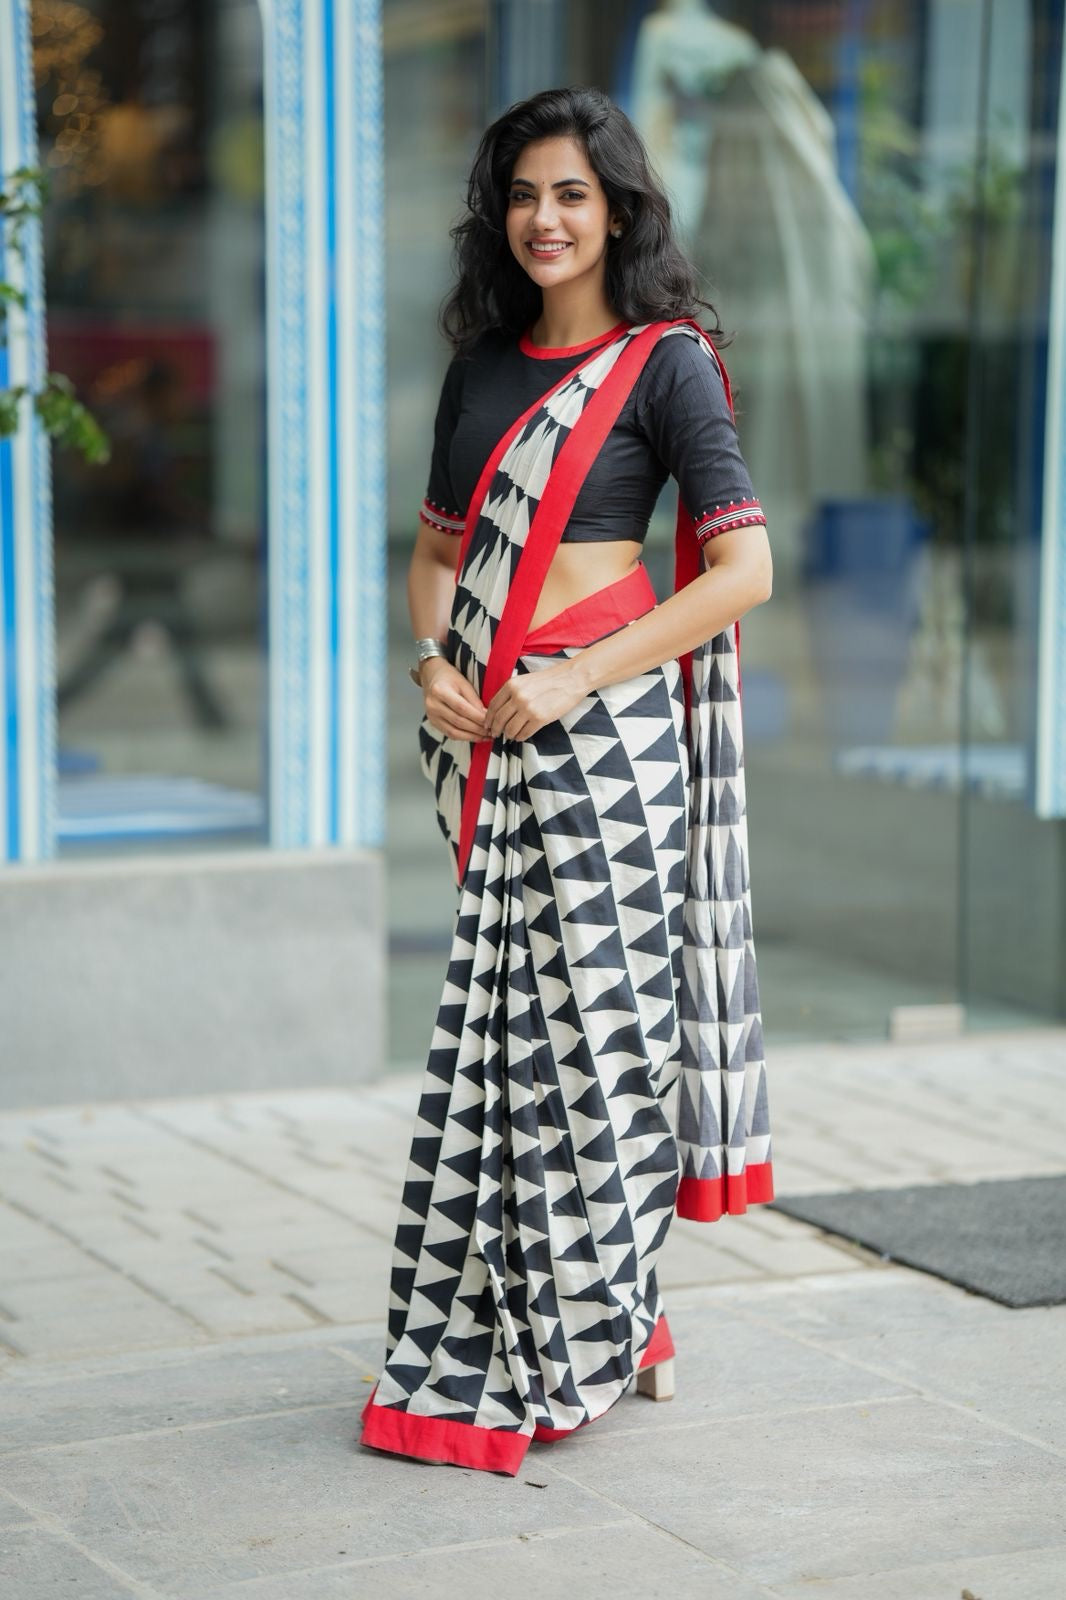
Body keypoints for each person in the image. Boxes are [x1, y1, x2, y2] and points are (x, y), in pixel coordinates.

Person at [359, 85, 775, 1477]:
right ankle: (602, 1308)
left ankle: (596, 1329)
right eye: (524, 195)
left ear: (617, 212)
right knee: (509, 1050)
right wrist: (432, 657)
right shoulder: (479, 370)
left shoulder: (668, 365)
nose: (545, 219)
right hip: (486, 733)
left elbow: (743, 574)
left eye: (572, 195)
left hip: (604, 743)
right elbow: (433, 552)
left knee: (599, 1048)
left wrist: (581, 676)